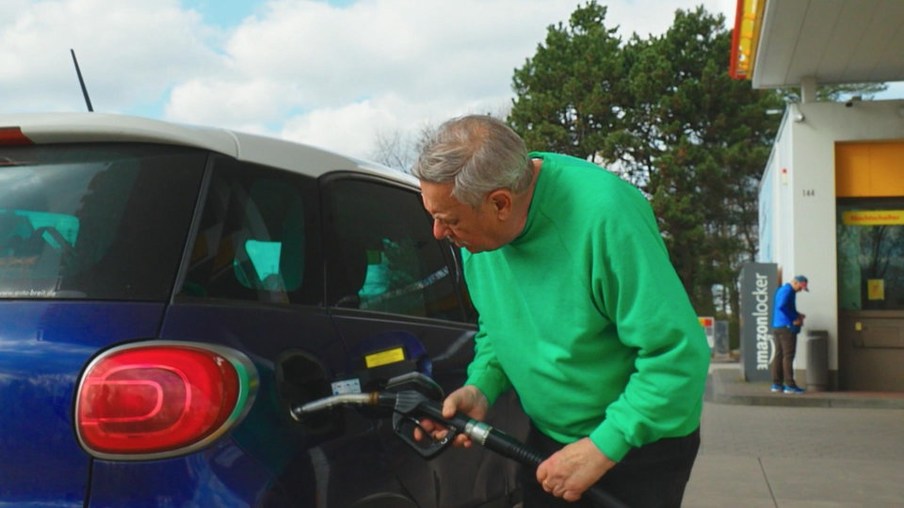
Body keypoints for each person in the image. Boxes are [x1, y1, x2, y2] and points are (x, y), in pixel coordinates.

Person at [412, 115, 710, 507]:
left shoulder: (606, 216)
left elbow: (678, 355)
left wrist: (604, 445)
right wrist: (481, 385)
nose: (438, 233)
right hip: (551, 438)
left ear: (500, 202)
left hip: (637, 443)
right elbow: (500, 323)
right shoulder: (478, 237)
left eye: (448, 220)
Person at [771, 275, 808, 394]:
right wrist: (794, 318)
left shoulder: (781, 289)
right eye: (800, 287)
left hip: (777, 326)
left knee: (779, 355)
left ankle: (777, 384)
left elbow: (782, 307)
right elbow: (782, 306)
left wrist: (797, 314)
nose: (800, 290)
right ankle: (790, 386)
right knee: (788, 356)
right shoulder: (789, 291)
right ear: (795, 282)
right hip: (787, 327)